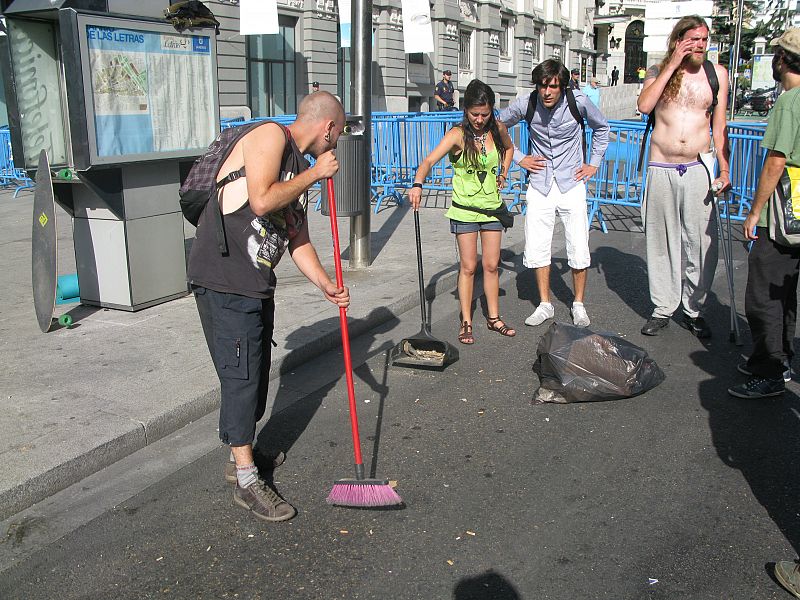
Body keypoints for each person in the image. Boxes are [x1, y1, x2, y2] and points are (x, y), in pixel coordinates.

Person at [186, 92, 350, 522]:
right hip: (224, 279)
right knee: (240, 378)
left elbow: (297, 238)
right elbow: (260, 199)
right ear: (328, 128)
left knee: (255, 376)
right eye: (337, 136)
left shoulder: (298, 168)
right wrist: (315, 173)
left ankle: (241, 454)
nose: (334, 146)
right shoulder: (269, 136)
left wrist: (326, 284)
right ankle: (246, 481)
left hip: (255, 283)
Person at [637, 15, 730, 338]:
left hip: (698, 166)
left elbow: (719, 128)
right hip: (661, 165)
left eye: (704, 39)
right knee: (660, 241)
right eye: (694, 39)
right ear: (679, 40)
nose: (701, 45)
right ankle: (663, 306)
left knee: (701, 243)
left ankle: (693, 308)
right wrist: (674, 62)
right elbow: (645, 105)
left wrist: (725, 168)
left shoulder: (716, 75)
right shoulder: (657, 73)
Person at [499, 59, 609, 328]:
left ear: (562, 86)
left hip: (571, 180)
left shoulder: (578, 101)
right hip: (540, 181)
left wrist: (593, 163)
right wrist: (519, 158)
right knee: (537, 244)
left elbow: (602, 128)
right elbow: (497, 125)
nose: (546, 92)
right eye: (542, 86)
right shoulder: (527, 103)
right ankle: (545, 304)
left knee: (578, 244)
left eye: (552, 86)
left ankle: (579, 304)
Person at [409, 79, 515, 344]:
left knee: (491, 265)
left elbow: (510, 148)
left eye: (485, 114)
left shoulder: (497, 129)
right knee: (469, 267)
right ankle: (466, 321)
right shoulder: (457, 134)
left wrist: (503, 173)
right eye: (474, 114)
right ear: (466, 110)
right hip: (464, 211)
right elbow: (429, 160)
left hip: (492, 210)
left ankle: (493, 318)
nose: (479, 119)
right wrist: (417, 184)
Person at [728, 28, 800, 400]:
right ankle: (779, 358)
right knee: (785, 293)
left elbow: (776, 160)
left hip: (784, 215)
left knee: (764, 296)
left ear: (782, 60)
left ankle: (770, 371)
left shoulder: (790, 102)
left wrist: (754, 212)